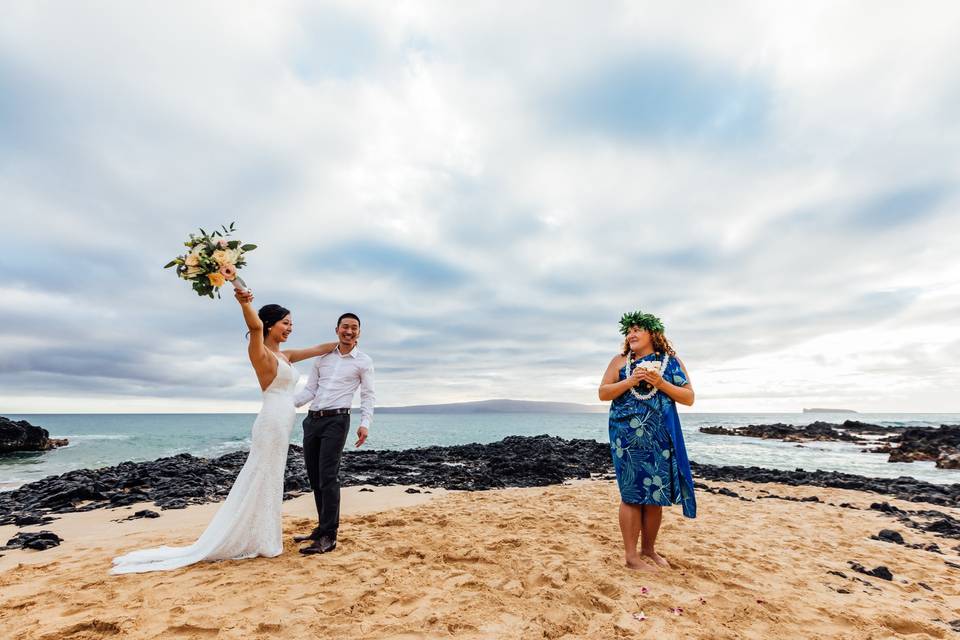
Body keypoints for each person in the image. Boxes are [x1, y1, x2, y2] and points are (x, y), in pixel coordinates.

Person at [111, 288, 336, 574]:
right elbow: (254, 326)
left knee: (270, 477)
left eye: (292, 323)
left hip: (283, 421)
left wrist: (345, 340)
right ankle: (251, 538)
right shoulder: (260, 352)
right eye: (286, 323)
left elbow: (319, 349)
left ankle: (263, 535)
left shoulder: (286, 355)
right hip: (271, 420)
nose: (290, 328)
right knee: (261, 475)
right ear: (270, 324)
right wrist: (245, 302)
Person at [598, 310, 696, 572]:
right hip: (626, 437)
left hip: (660, 436)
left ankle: (649, 550)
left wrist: (660, 382)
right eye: (628, 330)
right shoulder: (620, 361)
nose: (631, 334)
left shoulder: (670, 361)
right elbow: (603, 393)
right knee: (632, 494)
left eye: (637, 329)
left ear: (653, 333)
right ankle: (631, 557)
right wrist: (631, 380)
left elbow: (688, 398)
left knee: (655, 494)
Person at [292, 312, 375, 555]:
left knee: (328, 477)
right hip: (312, 420)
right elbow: (310, 390)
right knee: (315, 477)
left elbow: (369, 395)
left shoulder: (363, 361)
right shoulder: (322, 358)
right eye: (345, 327)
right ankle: (321, 528)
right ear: (336, 329)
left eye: (354, 328)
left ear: (359, 332)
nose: (349, 331)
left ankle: (329, 536)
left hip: (337, 421)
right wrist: (286, 404)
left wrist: (365, 423)